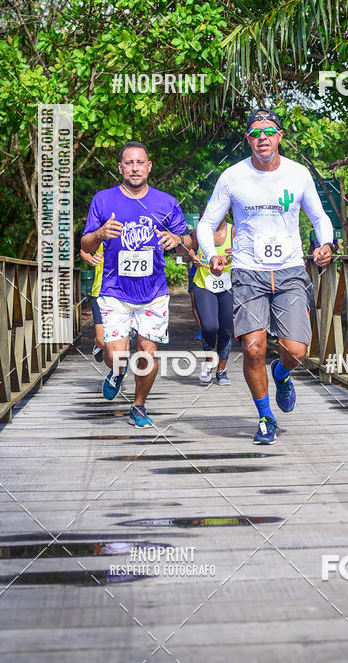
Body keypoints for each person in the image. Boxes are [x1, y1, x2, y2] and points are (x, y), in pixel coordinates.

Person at [196, 107, 334, 444]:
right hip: (248, 272)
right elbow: (206, 224)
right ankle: (265, 417)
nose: (262, 138)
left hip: (288, 271)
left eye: (269, 132)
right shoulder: (232, 176)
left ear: (279, 136)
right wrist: (212, 255)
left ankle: (282, 374)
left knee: (297, 351)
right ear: (248, 139)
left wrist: (325, 244)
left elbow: (319, 217)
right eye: (256, 133)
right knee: (254, 348)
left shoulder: (298, 174)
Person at [81, 141, 191, 428]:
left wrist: (177, 240)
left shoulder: (166, 202)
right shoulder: (103, 200)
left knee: (146, 353)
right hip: (115, 291)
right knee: (115, 355)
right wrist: (100, 234)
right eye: (128, 163)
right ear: (120, 168)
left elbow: (187, 242)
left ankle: (139, 405)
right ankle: (117, 373)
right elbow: (85, 242)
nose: (134, 168)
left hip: (153, 293)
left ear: (149, 166)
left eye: (140, 162)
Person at [188, 216, 235, 385]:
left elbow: (248, 252)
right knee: (209, 326)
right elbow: (189, 251)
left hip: (227, 286)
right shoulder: (199, 230)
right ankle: (209, 361)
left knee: (225, 330)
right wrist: (194, 257)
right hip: (204, 285)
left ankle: (221, 371)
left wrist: (236, 253)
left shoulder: (233, 230)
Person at [79, 245, 105, 362]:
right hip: (100, 291)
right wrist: (91, 259)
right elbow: (84, 250)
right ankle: (98, 343)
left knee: (120, 339)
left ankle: (120, 369)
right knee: (102, 341)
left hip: (125, 293)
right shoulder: (103, 230)